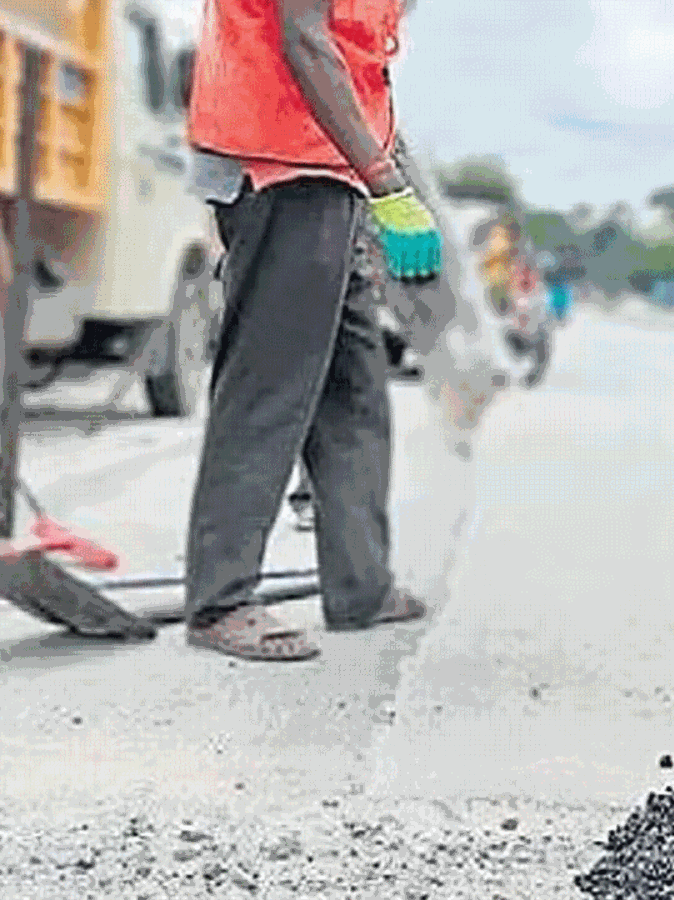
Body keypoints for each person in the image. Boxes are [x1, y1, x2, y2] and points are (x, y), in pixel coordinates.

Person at [182, 0, 442, 660]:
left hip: (328, 170)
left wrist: (376, 170)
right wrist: (387, 183)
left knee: (354, 388)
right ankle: (221, 601)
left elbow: (359, 48)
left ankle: (361, 585)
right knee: (269, 386)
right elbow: (304, 39)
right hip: (280, 163)